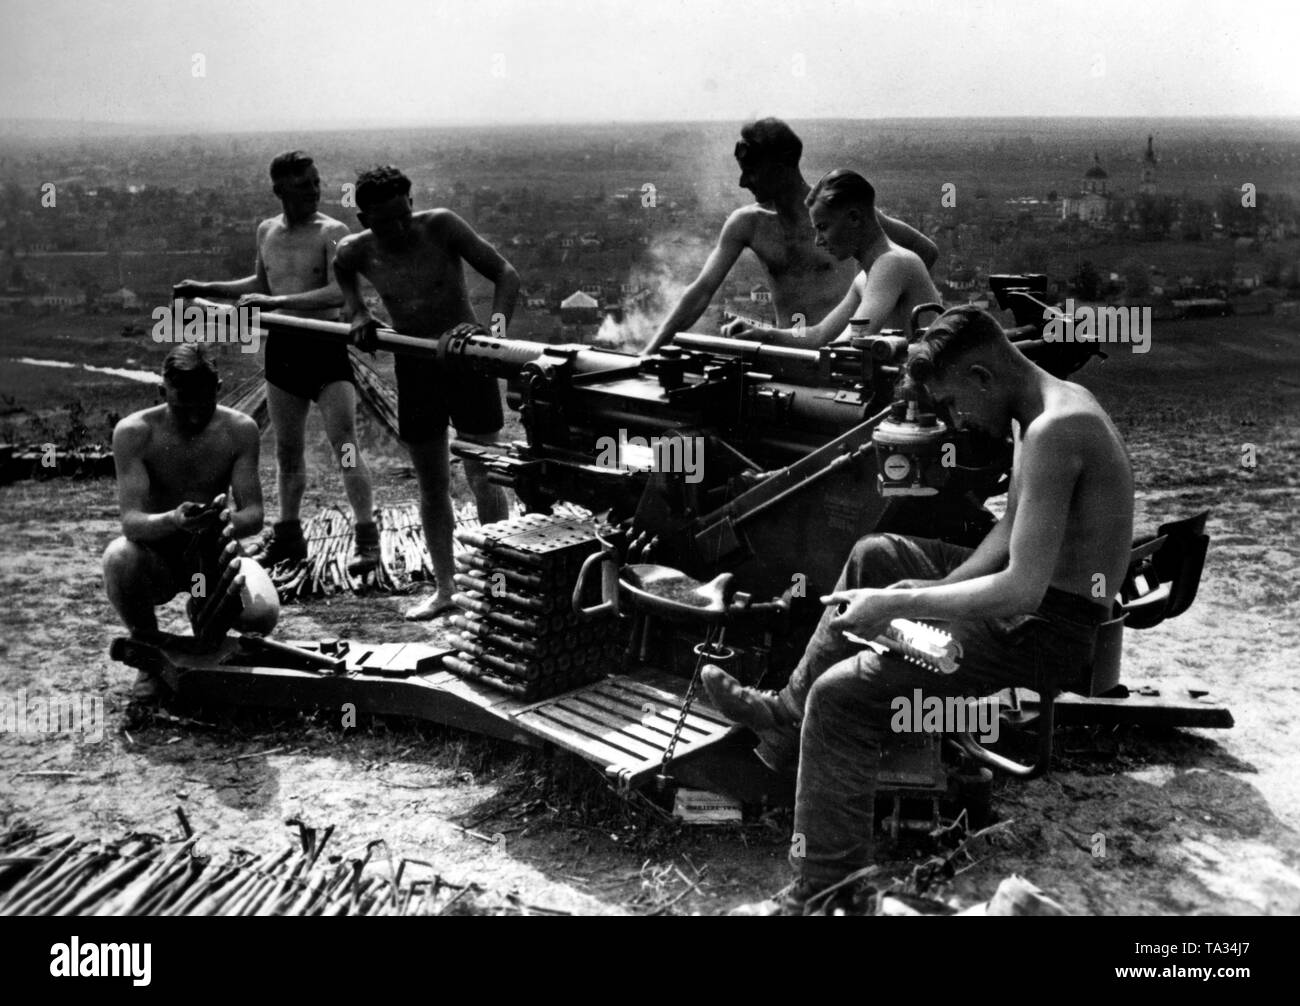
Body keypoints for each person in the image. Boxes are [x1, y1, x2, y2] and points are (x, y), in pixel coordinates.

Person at [702, 305, 1135, 914]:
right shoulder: (1042, 406)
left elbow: (1022, 591)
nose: (958, 419)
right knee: (876, 555)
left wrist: (906, 607)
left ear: (983, 377)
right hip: (1031, 606)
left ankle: (828, 885)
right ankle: (780, 713)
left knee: (842, 698)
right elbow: (1012, 528)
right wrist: (916, 595)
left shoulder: (1055, 430)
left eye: (956, 404)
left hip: (1044, 632)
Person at [173, 150, 378, 573]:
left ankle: (366, 538)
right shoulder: (266, 230)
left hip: (325, 346)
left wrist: (277, 302)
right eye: (303, 184)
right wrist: (206, 287)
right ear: (279, 190)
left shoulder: (333, 231)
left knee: (344, 445)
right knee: (287, 451)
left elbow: (341, 293)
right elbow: (260, 284)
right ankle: (289, 537)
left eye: (316, 181)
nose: (314, 190)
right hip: (284, 349)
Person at [333, 166, 519, 622]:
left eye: (402, 214)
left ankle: (503, 582)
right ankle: (446, 589)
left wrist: (492, 337)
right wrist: (358, 315)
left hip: (468, 361)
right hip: (415, 368)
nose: (397, 228)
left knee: (483, 474)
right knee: (432, 483)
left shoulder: (442, 226)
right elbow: (348, 292)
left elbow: (505, 274)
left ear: (411, 204)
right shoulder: (353, 252)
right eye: (383, 221)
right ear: (363, 219)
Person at [644, 119, 936, 354]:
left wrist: (893, 304)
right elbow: (700, 292)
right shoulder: (747, 224)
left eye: (751, 171)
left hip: (839, 355)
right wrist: (650, 353)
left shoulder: (847, 217)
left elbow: (923, 252)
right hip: (797, 349)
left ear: (780, 166)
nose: (743, 182)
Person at [102, 344, 277, 697]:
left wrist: (218, 523)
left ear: (219, 388)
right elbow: (132, 523)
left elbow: (254, 514)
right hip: (159, 560)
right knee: (119, 558)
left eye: (204, 405)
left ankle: (205, 622)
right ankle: (148, 654)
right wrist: (174, 520)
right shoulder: (134, 432)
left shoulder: (240, 429)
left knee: (260, 616)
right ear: (161, 392)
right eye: (183, 407)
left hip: (215, 559)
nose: (195, 418)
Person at [722, 169, 942, 348]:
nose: (818, 241)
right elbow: (819, 335)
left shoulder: (892, 263)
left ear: (854, 217)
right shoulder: (865, 279)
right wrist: (761, 334)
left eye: (823, 227)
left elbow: (849, 343)